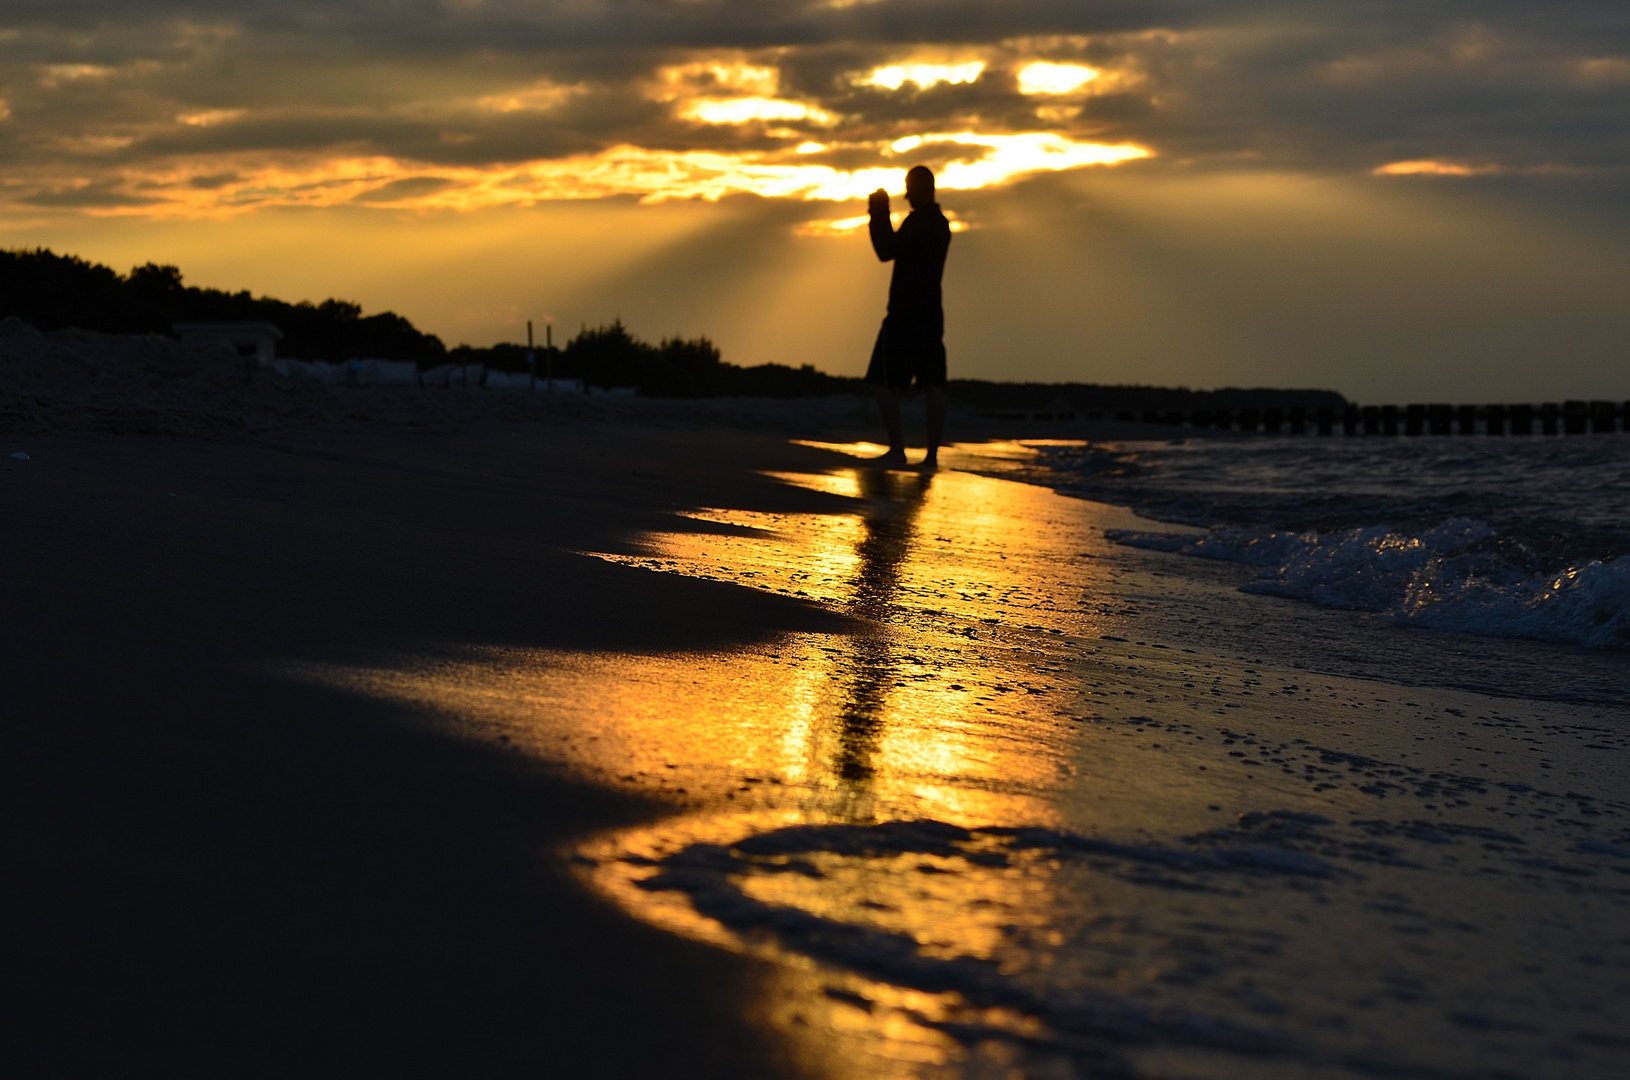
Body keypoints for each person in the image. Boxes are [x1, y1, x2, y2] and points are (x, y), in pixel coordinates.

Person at [865, 164, 952, 469]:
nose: (905, 194)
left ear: (919, 188)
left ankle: (898, 449)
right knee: (932, 384)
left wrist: (878, 213)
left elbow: (886, 250)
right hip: (930, 313)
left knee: (881, 380)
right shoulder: (941, 224)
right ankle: (931, 457)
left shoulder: (920, 223)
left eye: (908, 187)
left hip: (904, 314)